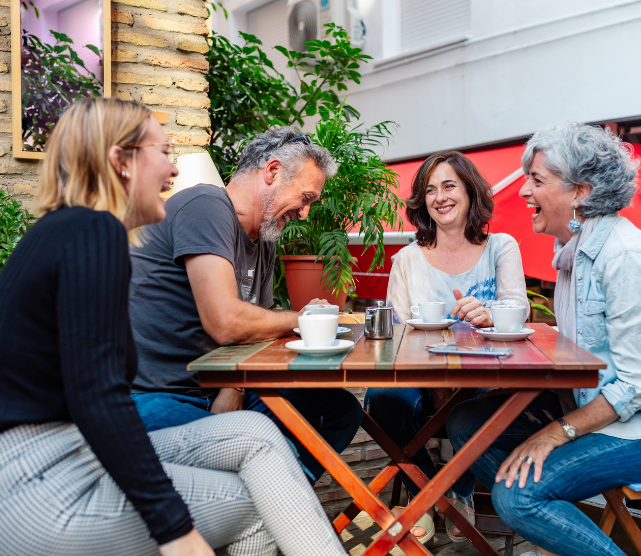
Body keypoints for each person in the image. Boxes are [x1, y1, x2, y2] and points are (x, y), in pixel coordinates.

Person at [0, 98, 347, 556]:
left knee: (263, 439)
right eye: (162, 152)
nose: (173, 171)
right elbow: (100, 399)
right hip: (41, 483)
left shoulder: (69, 231)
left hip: (63, 457)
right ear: (120, 161)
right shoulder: (92, 232)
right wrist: (175, 530)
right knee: (261, 501)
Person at [445, 122, 641, 556]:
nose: (523, 192)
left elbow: (637, 386)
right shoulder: (574, 255)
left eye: (536, 180)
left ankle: (534, 506)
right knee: (466, 422)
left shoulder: (625, 258)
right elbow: (578, 353)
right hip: (606, 414)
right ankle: (548, 522)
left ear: (581, 193)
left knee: (518, 497)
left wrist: (556, 434)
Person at [128, 127, 363, 483]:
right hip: (157, 397)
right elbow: (226, 322)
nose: (304, 214)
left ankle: (259, 510)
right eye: (306, 197)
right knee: (256, 442)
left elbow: (257, 334)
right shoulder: (205, 205)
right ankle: (267, 511)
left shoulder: (263, 238)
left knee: (338, 410)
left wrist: (233, 388)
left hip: (214, 389)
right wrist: (302, 319)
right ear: (272, 172)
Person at [365, 151, 529, 544]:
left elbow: (519, 309)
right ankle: (429, 489)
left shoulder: (501, 247)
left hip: (484, 375)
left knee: (480, 404)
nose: (440, 196)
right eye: (430, 190)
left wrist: (489, 313)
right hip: (421, 375)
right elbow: (398, 334)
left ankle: (460, 489)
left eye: (449, 185)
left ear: (470, 191)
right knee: (384, 400)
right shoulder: (407, 258)